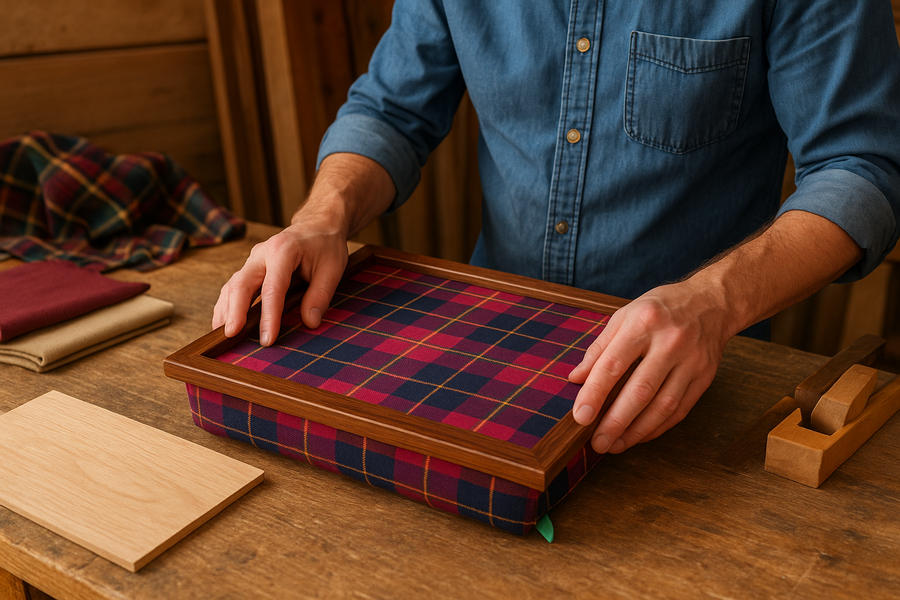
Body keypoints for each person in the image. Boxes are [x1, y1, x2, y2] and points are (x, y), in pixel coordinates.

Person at [214, 0, 900, 457]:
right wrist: (321, 217)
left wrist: (715, 301)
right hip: (483, 347)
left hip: (693, 373)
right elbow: (392, 110)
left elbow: (861, 169)